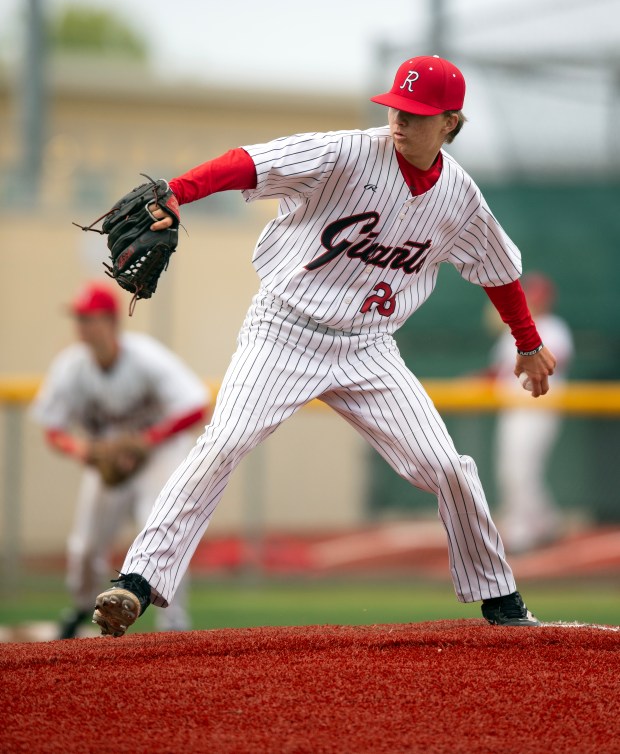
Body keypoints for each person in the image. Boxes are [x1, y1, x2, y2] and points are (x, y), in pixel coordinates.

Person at [93, 54, 557, 637]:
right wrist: (181, 193)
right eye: (395, 109)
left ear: (450, 123)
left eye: (415, 115)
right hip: (284, 331)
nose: (399, 121)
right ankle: (136, 581)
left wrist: (527, 342)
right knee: (225, 442)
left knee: (446, 466)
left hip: (369, 347)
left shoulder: (459, 197)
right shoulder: (343, 152)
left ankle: (500, 597)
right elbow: (251, 163)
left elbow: (498, 266)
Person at [31, 281, 210, 638]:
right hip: (109, 461)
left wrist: (148, 439)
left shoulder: (145, 356)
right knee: (84, 546)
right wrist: (81, 450)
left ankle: (174, 622)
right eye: (79, 318)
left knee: (161, 531)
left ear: (111, 321)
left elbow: (196, 404)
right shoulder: (71, 368)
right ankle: (82, 606)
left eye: (89, 318)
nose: (82, 326)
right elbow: (52, 428)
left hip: (158, 453)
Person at [487, 272, 574, 553]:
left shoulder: (552, 327)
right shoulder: (513, 331)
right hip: (513, 409)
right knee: (514, 469)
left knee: (519, 469)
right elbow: (497, 372)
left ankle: (521, 532)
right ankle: (545, 522)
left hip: (538, 406)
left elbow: (554, 360)